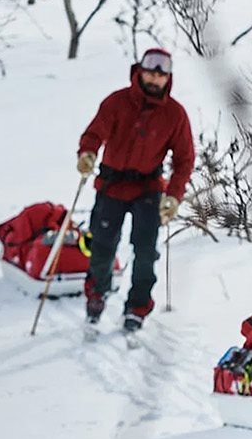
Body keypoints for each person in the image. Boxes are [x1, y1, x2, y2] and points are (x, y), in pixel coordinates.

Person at [76, 47, 195, 332]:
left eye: (161, 74)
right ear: (139, 71)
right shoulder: (117, 102)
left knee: (144, 252)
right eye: (150, 72)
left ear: (168, 78)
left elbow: (184, 160)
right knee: (102, 247)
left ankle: (137, 307)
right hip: (111, 185)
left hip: (148, 189)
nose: (155, 79)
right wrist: (87, 154)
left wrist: (173, 196)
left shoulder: (175, 115)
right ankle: (98, 292)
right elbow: (94, 134)